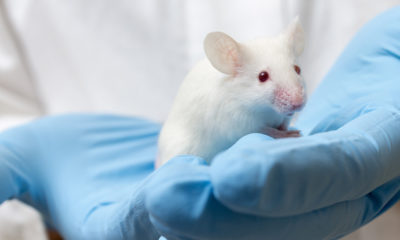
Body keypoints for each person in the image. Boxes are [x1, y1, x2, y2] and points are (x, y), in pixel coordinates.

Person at [0, 1, 400, 239]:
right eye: (264, 78)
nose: (294, 92)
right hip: (182, 155)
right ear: (230, 63)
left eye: (295, 71)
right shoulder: (223, 95)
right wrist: (48, 210)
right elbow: (230, 131)